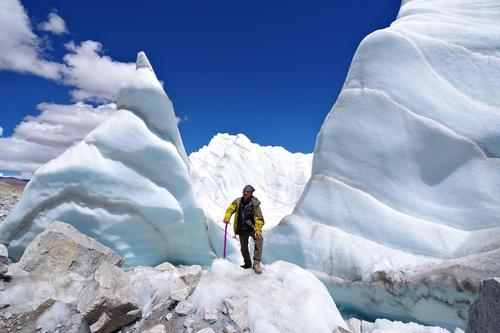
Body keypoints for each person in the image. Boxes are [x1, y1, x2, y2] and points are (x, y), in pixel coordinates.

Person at [223, 185, 265, 274]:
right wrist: (227, 217)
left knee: (259, 240)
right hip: (242, 228)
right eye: (244, 191)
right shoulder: (238, 201)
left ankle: (256, 264)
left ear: (251, 193)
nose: (245, 193)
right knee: (243, 248)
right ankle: (247, 264)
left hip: (252, 229)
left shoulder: (255, 204)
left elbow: (259, 218)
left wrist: (258, 229)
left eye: (248, 192)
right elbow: (230, 209)